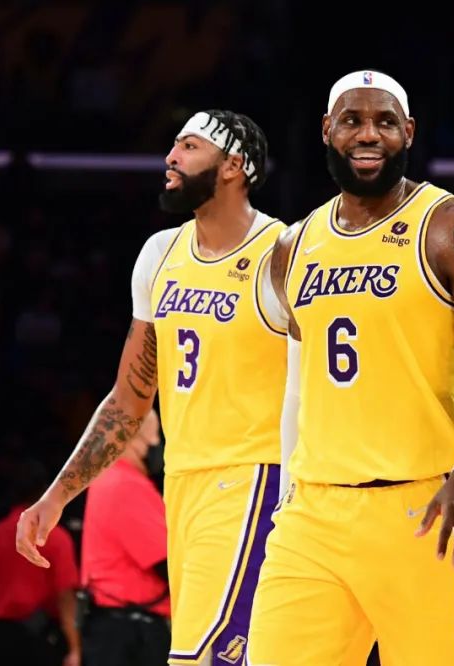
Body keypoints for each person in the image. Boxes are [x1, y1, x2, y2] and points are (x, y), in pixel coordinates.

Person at [247, 69, 454, 666]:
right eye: (352, 120)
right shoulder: (293, 247)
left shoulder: (453, 229)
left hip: (424, 506)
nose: (368, 134)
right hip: (314, 515)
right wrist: (289, 489)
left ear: (409, 133)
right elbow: (300, 385)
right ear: (327, 130)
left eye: (385, 122)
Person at [15, 109, 294, 664]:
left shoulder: (283, 252)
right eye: (174, 145)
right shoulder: (159, 254)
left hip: (257, 479)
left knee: (203, 656)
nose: (171, 157)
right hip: (183, 484)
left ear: (233, 166)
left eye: (189, 146)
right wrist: (57, 496)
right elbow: (129, 399)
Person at [80, 409, 171, 666]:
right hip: (130, 633)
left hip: (115, 626)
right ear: (133, 439)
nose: (157, 446)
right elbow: (167, 563)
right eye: (153, 438)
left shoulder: (108, 478)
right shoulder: (126, 483)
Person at [0, 461, 80, 666]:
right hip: (42, 643)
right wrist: (74, 649)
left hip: (3, 641)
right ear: (45, 491)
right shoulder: (57, 538)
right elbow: (65, 598)